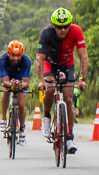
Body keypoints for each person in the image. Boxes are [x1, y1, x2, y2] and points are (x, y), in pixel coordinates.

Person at [37, 8, 89, 154]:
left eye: (66, 26)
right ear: (53, 25)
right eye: (59, 26)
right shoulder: (46, 33)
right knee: (51, 88)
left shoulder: (76, 31)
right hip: (49, 64)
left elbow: (83, 56)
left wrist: (82, 79)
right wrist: (41, 81)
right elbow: (39, 59)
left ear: (70, 24)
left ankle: (69, 137)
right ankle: (46, 116)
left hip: (67, 64)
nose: (62, 29)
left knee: (68, 98)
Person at [0, 40, 32, 145]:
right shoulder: (2, 60)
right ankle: (3, 119)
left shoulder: (27, 61)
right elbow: (4, 80)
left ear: (22, 54)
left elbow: (26, 82)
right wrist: (11, 84)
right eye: (13, 55)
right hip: (8, 79)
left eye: (18, 56)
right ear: (8, 53)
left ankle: (21, 129)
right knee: (6, 91)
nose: (15, 58)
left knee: (21, 104)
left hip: (21, 80)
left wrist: (21, 84)